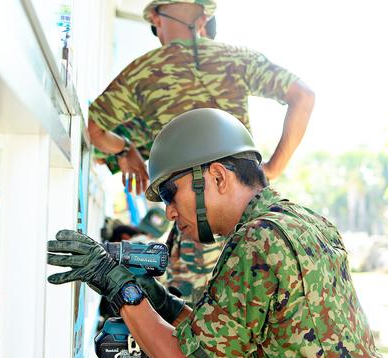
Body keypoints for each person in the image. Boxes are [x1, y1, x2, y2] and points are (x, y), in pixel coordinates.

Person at [48, 108, 388, 358]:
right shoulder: (294, 221)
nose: (170, 211)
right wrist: (157, 300)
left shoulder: (260, 240)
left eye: (172, 194)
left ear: (217, 177)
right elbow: (213, 335)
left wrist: (118, 287)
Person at [88, 0, 315, 304]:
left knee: (194, 329)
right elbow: (303, 96)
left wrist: (124, 150)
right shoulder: (236, 58)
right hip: (248, 213)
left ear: (156, 16)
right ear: (205, 15)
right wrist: (272, 168)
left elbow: (93, 132)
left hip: (196, 230)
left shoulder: (144, 71)